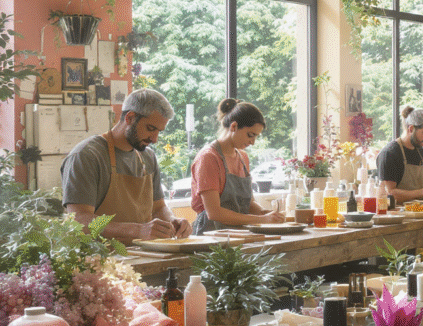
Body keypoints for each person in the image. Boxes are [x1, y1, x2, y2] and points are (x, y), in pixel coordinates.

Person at [61, 88, 191, 243]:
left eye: (159, 132)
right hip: (101, 260)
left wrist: (173, 221)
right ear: (130, 117)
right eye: (151, 129)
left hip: (143, 257)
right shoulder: (87, 156)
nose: (155, 139)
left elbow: (158, 208)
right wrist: (137, 230)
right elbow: (79, 220)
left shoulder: (148, 157)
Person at [191, 99, 284, 234]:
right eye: (250, 135)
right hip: (211, 237)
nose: (253, 142)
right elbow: (214, 213)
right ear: (234, 127)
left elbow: (249, 204)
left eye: (256, 136)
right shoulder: (209, 158)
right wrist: (261, 219)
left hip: (239, 234)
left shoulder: (243, 157)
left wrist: (266, 213)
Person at [377, 106, 423, 202]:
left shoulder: (421, 152)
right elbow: (390, 193)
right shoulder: (390, 153)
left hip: (419, 209)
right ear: (411, 129)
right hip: (398, 213)